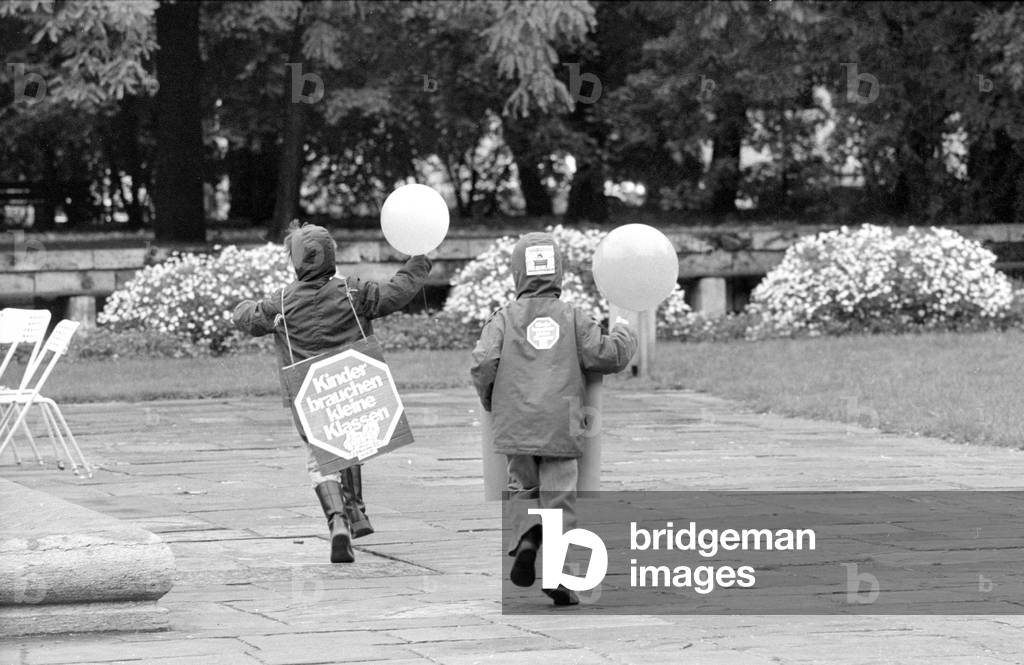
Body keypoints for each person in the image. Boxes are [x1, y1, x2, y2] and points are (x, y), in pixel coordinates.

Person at [233, 222, 431, 563]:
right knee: (351, 446)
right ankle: (355, 513)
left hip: (307, 394)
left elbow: (249, 319)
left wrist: (242, 307)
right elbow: (395, 293)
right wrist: (418, 261)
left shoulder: (280, 301)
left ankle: (338, 519)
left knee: (319, 459)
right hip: (352, 385)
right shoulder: (353, 292)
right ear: (332, 256)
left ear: (295, 261)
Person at [470, 231, 638, 605]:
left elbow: (483, 363)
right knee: (560, 498)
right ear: (558, 271)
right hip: (561, 423)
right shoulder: (574, 318)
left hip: (516, 424)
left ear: (517, 273)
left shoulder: (502, 320)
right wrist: (626, 334)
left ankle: (528, 538)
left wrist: (489, 401)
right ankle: (559, 574)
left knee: (521, 487)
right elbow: (605, 355)